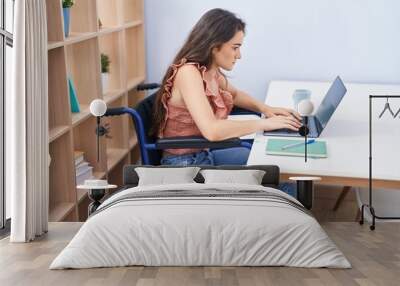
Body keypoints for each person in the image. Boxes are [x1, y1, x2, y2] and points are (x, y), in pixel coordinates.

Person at [151, 8, 302, 168]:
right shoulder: (189, 73)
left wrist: (266, 109)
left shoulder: (210, 70)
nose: (239, 55)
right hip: (185, 164)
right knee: (272, 173)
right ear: (214, 46)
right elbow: (212, 130)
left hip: (203, 153)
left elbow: (235, 95)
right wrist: (264, 124)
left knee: (271, 163)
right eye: (235, 47)